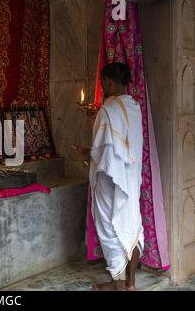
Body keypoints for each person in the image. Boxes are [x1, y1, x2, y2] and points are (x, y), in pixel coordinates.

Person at [76, 62, 144, 291]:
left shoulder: (107, 109)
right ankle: (130, 283)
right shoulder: (134, 106)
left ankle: (117, 284)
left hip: (110, 178)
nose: (102, 86)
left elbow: (100, 151)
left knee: (109, 226)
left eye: (103, 82)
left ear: (109, 82)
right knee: (132, 225)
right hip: (130, 178)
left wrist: (83, 151)